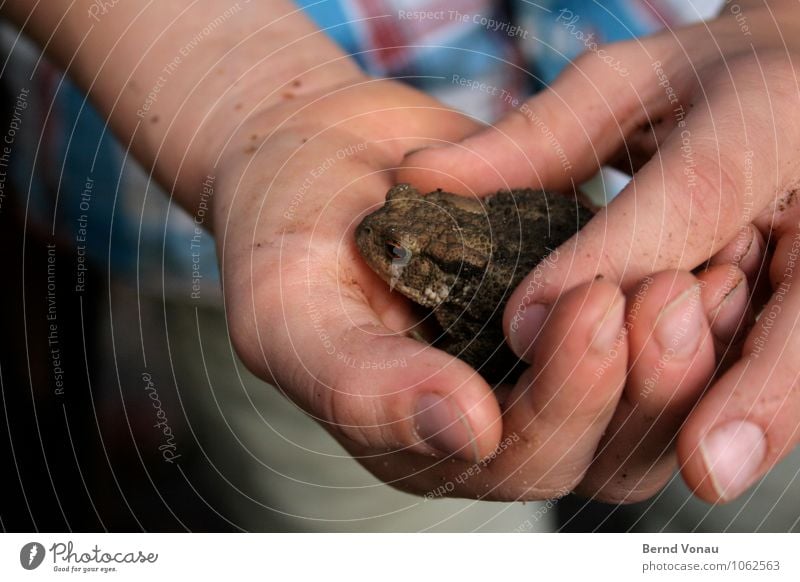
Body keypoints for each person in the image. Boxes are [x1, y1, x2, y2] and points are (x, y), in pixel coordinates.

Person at [1, 0, 798, 530]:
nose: (382, 247)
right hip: (205, 226)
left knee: (729, 490)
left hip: (673, 159)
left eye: (401, 249)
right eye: (393, 241)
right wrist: (256, 104)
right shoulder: (420, 293)